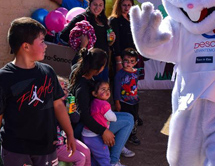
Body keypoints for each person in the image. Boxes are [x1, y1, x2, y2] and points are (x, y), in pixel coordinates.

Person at [0, 17, 76, 166]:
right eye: (42, 41)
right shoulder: (4, 77)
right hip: (16, 150)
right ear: (26, 47)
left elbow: (59, 106)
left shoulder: (48, 72)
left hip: (46, 148)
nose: (46, 46)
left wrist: (70, 134)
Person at [69, 47, 134, 166]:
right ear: (99, 68)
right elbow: (84, 116)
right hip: (84, 129)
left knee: (128, 117)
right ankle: (113, 161)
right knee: (128, 121)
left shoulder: (79, 71)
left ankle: (117, 145)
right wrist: (103, 131)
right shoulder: (83, 88)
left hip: (90, 121)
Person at [61, 0, 115, 81]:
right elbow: (63, 35)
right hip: (89, 65)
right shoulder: (82, 18)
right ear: (89, 4)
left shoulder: (104, 20)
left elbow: (106, 43)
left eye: (101, 5)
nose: (97, 8)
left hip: (103, 65)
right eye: (95, 4)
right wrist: (80, 42)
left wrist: (111, 40)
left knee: (101, 92)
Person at [56, 76, 91, 166]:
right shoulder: (50, 106)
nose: (66, 91)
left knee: (86, 151)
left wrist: (71, 112)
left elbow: (76, 120)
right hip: (57, 144)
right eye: (62, 89)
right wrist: (64, 112)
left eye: (66, 89)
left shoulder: (65, 103)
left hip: (66, 138)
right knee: (80, 158)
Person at [82, 80, 117, 166]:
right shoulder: (104, 104)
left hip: (87, 135)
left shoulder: (94, 102)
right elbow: (113, 118)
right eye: (103, 89)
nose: (107, 91)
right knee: (104, 157)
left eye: (108, 89)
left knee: (96, 158)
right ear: (94, 93)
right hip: (94, 136)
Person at [114, 48, 141, 146]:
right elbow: (116, 89)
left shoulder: (136, 72)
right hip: (124, 102)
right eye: (126, 61)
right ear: (121, 60)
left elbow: (135, 85)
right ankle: (124, 135)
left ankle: (132, 135)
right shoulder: (119, 74)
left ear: (136, 62)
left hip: (135, 100)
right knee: (126, 119)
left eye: (132, 61)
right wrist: (117, 102)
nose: (129, 63)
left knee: (135, 118)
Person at [109, 0, 136, 73]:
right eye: (124, 5)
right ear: (119, 5)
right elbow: (115, 42)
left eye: (129, 5)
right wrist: (118, 61)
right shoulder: (114, 20)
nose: (127, 8)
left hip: (132, 57)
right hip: (121, 58)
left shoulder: (133, 19)